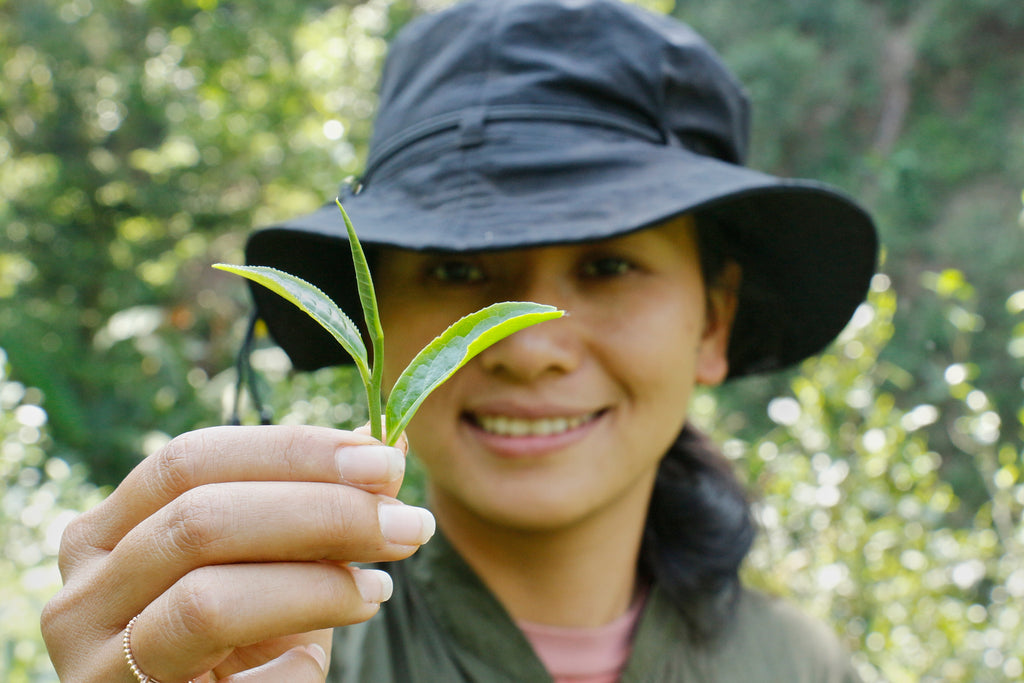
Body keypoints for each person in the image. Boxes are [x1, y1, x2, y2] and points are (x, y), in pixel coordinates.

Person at [41, 1, 878, 681]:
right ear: (376, 322)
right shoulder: (265, 648)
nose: (527, 346)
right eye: (454, 273)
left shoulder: (803, 665)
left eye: (611, 265)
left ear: (714, 320)